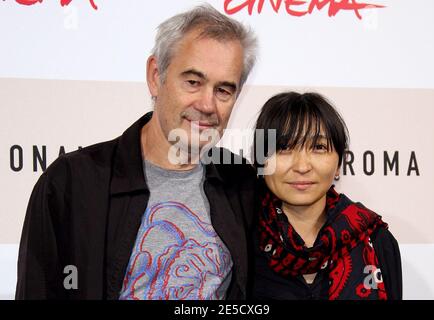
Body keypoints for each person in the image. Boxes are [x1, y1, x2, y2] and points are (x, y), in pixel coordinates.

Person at [16, 4, 258, 300]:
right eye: (193, 82)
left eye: (224, 90)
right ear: (156, 75)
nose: (207, 105)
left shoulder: (243, 184)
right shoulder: (71, 182)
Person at [250, 92, 402, 300]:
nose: (302, 166)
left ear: (339, 163)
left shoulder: (376, 240)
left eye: (318, 147)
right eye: (283, 147)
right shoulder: (239, 242)